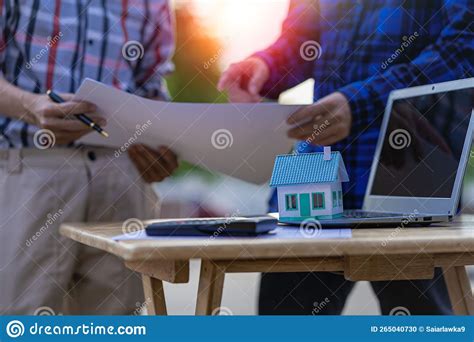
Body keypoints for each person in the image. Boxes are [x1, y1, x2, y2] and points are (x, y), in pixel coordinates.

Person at [219, 0, 473, 315]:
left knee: (423, 323)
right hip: (314, 178)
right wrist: (265, 66)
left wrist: (361, 103)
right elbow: (301, 41)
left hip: (412, 180)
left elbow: (464, 48)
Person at [0, 0, 178, 315]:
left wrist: (159, 141)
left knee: (120, 322)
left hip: (123, 173)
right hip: (30, 170)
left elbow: (150, 83)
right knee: (22, 317)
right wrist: (30, 106)